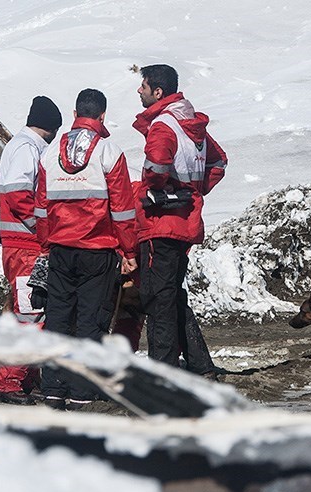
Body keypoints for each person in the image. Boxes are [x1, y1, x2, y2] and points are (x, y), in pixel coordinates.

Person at [35, 88, 138, 410]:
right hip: (98, 249)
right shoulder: (109, 152)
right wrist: (129, 251)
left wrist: (45, 243)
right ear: (102, 116)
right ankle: (81, 392)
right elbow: (122, 208)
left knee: (58, 319)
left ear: (75, 112)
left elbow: (41, 207)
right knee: (91, 321)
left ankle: (53, 387)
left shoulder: (50, 154)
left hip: (60, 250)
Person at [132, 64, 227, 378]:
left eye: (142, 86)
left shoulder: (163, 125)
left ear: (158, 92)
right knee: (171, 293)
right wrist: (193, 192)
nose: (138, 91)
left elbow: (156, 166)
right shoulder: (191, 124)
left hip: (161, 223)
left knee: (157, 298)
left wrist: (155, 190)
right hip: (184, 222)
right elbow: (219, 161)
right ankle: (200, 365)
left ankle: (164, 373)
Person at [0, 96, 62, 405]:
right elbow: (20, 197)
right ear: (53, 128)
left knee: (32, 314)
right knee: (31, 317)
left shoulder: (22, 147)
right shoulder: (27, 149)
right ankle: (7, 383)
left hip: (22, 247)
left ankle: (24, 379)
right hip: (25, 249)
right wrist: (45, 227)